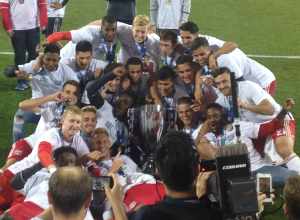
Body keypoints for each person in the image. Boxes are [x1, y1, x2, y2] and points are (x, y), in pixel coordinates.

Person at [212, 67, 299, 173]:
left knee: (284, 150)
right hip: (257, 129)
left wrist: (246, 106)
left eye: (224, 81)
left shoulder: (249, 87)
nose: (221, 86)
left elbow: (269, 110)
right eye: (218, 83)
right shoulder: (221, 100)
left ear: (233, 80)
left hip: (278, 119)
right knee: (264, 160)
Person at [193, 103, 297, 187]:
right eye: (209, 117)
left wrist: (283, 111)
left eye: (215, 116)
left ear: (224, 116)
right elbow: (192, 147)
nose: (212, 120)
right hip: (231, 175)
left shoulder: (241, 126)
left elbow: (269, 127)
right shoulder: (206, 134)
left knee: (293, 177)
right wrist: (203, 132)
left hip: (256, 169)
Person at [130, 130, 221, 220]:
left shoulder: (148, 215)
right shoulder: (214, 213)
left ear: (157, 171)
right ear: (197, 169)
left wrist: (116, 201)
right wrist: (203, 201)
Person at [1, 80, 81, 172]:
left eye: (74, 93)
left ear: (77, 97)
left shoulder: (77, 117)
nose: (70, 96)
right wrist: (50, 98)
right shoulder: (51, 105)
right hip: (32, 143)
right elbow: (22, 105)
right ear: (62, 92)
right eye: (67, 92)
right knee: (7, 168)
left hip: (50, 151)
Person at [12, 43, 79, 143]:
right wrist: (15, 72)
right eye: (48, 59)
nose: (51, 63)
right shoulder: (34, 66)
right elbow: (8, 71)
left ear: (59, 59)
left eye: (54, 60)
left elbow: (76, 92)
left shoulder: (67, 72)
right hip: (35, 106)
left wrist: (70, 100)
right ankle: (17, 148)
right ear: (43, 57)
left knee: (50, 136)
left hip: (55, 110)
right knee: (19, 119)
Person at [191, 37, 277, 95]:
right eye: (196, 56)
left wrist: (215, 83)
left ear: (209, 51)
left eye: (202, 54)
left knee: (262, 114)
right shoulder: (206, 57)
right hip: (247, 83)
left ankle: (285, 117)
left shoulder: (224, 60)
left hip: (262, 82)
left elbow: (241, 85)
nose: (199, 58)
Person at [0, 0, 47, 91]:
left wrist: (44, 23)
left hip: (34, 27)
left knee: (34, 54)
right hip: (16, 29)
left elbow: (42, 5)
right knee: (20, 55)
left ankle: (31, 78)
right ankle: (21, 81)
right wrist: (8, 28)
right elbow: (4, 9)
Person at [47, 15, 119, 63]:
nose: (110, 34)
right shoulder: (88, 34)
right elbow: (63, 35)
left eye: (113, 30)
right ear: (101, 28)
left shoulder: (119, 33)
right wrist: (47, 41)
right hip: (66, 61)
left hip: (85, 64)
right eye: (107, 30)